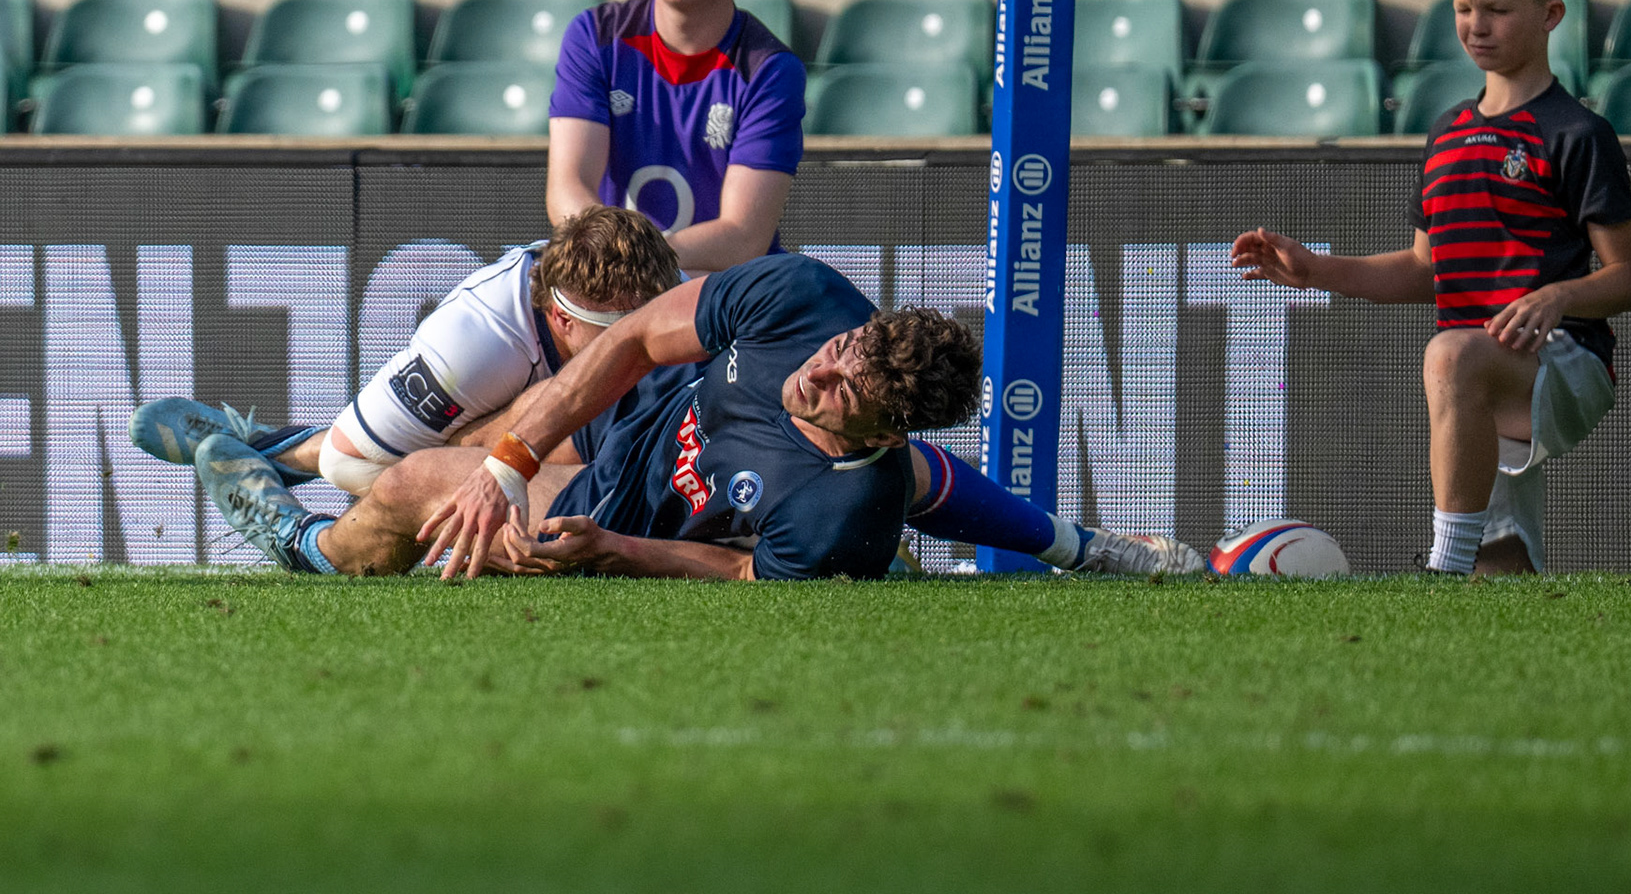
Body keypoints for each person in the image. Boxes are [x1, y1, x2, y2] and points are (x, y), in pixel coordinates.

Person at [194, 253, 1206, 581]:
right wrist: (507, 460)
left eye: (842, 392)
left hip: (619, 504)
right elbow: (636, 336)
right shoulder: (804, 299)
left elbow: (746, 577)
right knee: (483, 439)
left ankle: (305, 542)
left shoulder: (844, 505)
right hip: (634, 412)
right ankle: (300, 449)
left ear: (883, 428)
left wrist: (618, 547)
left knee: (414, 485)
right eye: (838, 353)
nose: (817, 373)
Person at [1230, 0, 1631, 576]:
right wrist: (1315, 269)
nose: (1476, 25)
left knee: (1449, 354)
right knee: (1503, 569)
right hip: (1482, 370)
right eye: (1463, 8)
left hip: (1565, 359)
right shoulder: (1447, 130)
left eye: (1497, 9)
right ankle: (1476, 580)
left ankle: (1441, 569)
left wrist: (1558, 295)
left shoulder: (1578, 133)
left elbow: (1630, 279)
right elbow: (1426, 269)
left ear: (1550, 15)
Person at [130, 205, 683, 495]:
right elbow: (348, 465)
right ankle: (270, 456)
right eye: (623, 330)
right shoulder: (477, 344)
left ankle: (264, 447)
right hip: (482, 388)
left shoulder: (656, 290)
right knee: (358, 459)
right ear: (562, 316)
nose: (646, 337)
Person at [546, 0, 804, 274]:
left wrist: (636, 263)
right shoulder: (595, 37)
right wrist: (616, 266)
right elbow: (567, 189)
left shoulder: (770, 70)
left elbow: (743, 236)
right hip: (612, 276)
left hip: (719, 291)